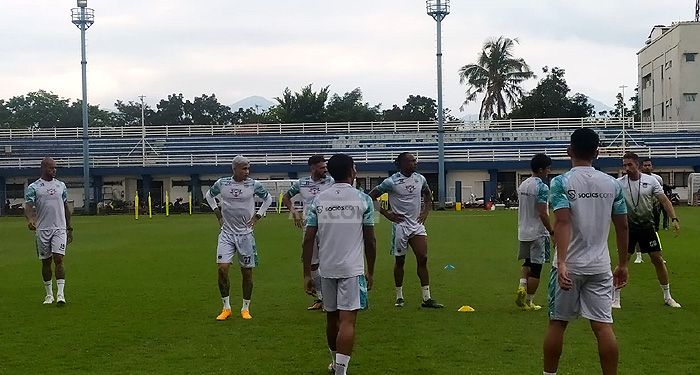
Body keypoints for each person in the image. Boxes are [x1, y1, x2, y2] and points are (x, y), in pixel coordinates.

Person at [543, 128, 629, 375]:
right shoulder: (612, 184)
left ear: (569, 151)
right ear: (597, 152)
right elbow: (622, 224)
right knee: (603, 327)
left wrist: (561, 262)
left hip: (569, 266)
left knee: (557, 324)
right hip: (600, 266)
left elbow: (562, 222)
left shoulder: (561, 182)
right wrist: (623, 264)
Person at [303, 153, 376, 375]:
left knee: (331, 317)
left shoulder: (319, 200)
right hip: (352, 269)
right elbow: (370, 239)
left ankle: (335, 362)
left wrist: (307, 273)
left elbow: (308, 239)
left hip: (327, 268)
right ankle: (341, 371)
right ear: (351, 172)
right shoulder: (362, 199)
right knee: (348, 321)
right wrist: (370, 271)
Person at [368, 152, 443, 308]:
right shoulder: (391, 182)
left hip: (417, 225)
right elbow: (370, 197)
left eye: (415, 160)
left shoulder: (420, 179)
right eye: (410, 161)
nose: (414, 163)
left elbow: (428, 195)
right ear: (400, 164)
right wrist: (386, 213)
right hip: (400, 227)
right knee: (400, 261)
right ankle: (399, 296)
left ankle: (426, 298)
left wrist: (425, 211)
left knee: (423, 258)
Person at [205, 155, 273, 321]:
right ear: (234, 169)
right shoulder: (222, 183)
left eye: (248, 168)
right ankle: (226, 307)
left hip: (245, 235)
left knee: (247, 273)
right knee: (222, 269)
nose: (247, 172)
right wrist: (217, 213)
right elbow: (208, 195)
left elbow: (268, 198)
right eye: (244, 168)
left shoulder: (253, 184)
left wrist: (258, 216)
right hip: (226, 233)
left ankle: (245, 308)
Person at [614, 152, 681, 309]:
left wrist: (674, 219)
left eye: (629, 164)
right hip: (628, 229)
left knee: (657, 260)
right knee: (622, 262)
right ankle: (615, 297)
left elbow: (664, 200)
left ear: (637, 165)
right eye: (624, 165)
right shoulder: (618, 183)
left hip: (647, 227)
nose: (626, 168)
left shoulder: (651, 181)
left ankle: (667, 296)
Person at [282, 155, 334, 310]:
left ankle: (330, 299)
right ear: (312, 168)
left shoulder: (331, 182)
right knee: (312, 264)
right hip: (309, 227)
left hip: (328, 227)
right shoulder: (301, 183)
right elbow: (286, 197)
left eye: (325, 167)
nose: (325, 169)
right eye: (321, 167)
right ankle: (321, 298)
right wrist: (294, 211)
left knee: (328, 263)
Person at [24, 157, 73, 306]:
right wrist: (30, 219)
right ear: (44, 168)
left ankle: (61, 295)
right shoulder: (34, 187)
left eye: (55, 168)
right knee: (46, 262)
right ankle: (49, 294)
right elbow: (28, 206)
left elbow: (65, 207)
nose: (54, 170)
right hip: (43, 229)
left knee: (59, 259)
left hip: (59, 228)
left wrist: (69, 227)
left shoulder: (61, 186)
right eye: (51, 168)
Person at [515, 153, 554, 311]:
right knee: (537, 268)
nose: (549, 171)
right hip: (538, 232)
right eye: (547, 168)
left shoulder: (523, 184)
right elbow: (542, 211)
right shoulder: (542, 187)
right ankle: (529, 302)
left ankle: (522, 286)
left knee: (527, 262)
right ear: (540, 169)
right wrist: (551, 230)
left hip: (523, 230)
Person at [633, 158, 667, 263]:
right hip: (640, 209)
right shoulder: (637, 179)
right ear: (641, 167)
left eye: (649, 165)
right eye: (645, 165)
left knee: (654, 232)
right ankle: (638, 256)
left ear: (652, 166)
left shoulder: (657, 179)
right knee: (637, 232)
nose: (647, 167)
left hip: (654, 208)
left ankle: (658, 255)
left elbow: (660, 194)